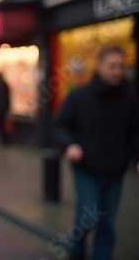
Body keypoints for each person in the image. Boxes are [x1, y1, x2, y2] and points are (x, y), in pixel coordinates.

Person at [53, 45, 139, 260]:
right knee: (88, 218)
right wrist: (70, 144)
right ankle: (76, 250)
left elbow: (136, 133)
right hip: (86, 169)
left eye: (121, 66)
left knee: (107, 224)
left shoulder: (131, 100)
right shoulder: (79, 96)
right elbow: (59, 125)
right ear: (99, 67)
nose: (117, 71)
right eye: (112, 66)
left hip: (115, 171)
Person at [0, 71, 10, 145]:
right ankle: (3, 138)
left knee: (1, 124)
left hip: (1, 108)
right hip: (2, 108)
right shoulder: (3, 84)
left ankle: (4, 139)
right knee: (1, 124)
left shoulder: (0, 85)